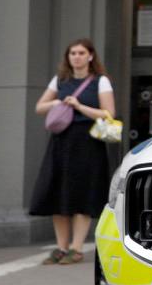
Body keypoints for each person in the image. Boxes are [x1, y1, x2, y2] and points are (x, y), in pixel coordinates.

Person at [28, 39, 118, 265]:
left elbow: (109, 114)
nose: (76, 57)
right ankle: (61, 247)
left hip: (87, 142)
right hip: (61, 142)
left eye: (81, 53)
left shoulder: (101, 81)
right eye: (72, 53)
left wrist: (79, 106)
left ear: (90, 56)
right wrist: (59, 102)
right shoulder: (60, 81)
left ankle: (76, 248)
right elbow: (39, 107)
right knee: (57, 192)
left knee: (82, 194)